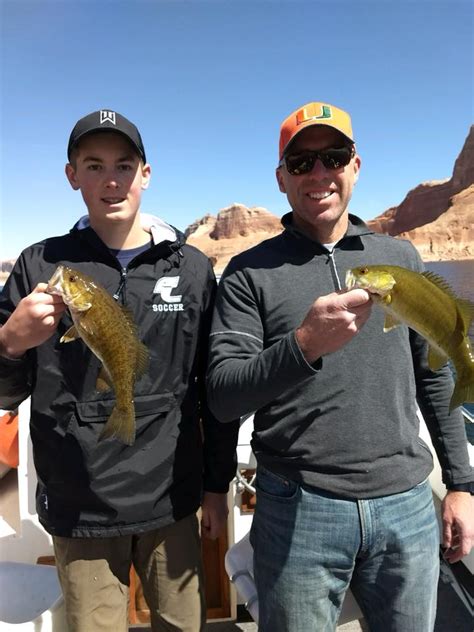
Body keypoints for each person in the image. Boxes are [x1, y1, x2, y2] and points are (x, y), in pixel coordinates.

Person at [206, 101, 474, 631]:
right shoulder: (247, 273)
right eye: (302, 163)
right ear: (282, 179)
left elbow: (434, 376)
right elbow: (223, 395)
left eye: (333, 156)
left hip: (407, 506)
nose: (319, 174)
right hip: (297, 509)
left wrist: (462, 485)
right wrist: (302, 345)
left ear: (355, 165)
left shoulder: (401, 259)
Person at [0, 109, 239, 632]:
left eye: (124, 165)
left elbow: (213, 390)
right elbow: (6, 391)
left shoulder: (190, 267)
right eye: (94, 165)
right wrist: (10, 342)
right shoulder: (39, 265)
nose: (111, 180)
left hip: (173, 495)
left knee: (184, 625)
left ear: (145, 174)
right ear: (72, 176)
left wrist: (218, 484)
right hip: (78, 500)